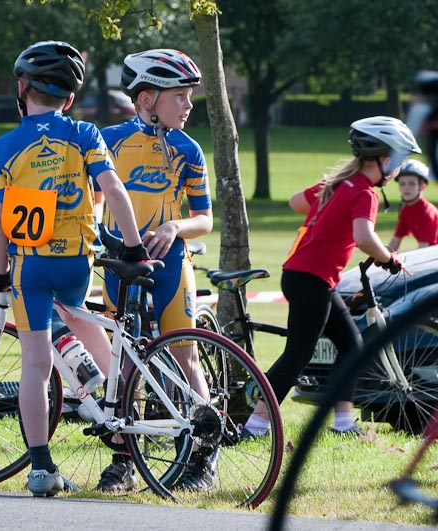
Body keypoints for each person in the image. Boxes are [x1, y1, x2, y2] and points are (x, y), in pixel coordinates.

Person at [0, 40, 148, 497]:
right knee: (88, 332)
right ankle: (118, 426)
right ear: (70, 99)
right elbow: (114, 190)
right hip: (76, 261)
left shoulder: (6, 146)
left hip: (29, 267)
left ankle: (40, 467)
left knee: (35, 365)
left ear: (22, 88)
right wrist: (133, 247)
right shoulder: (86, 134)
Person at [241, 116, 421, 440]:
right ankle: (254, 426)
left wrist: (331, 207)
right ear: (385, 158)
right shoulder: (364, 191)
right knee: (298, 355)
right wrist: (389, 259)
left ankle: (343, 423)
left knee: (351, 344)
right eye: (398, 160)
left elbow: (297, 201)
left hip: (305, 275)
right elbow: (364, 236)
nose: (397, 170)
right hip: (312, 278)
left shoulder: (338, 185)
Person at [98, 48, 214, 493]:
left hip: (170, 266)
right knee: (125, 362)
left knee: (184, 355)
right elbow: (91, 198)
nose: (188, 105)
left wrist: (173, 225)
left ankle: (203, 460)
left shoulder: (188, 148)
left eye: (189, 96)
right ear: (146, 98)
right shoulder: (107, 140)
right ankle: (124, 460)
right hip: (119, 265)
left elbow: (204, 218)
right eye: (180, 96)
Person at [388, 158, 438, 251]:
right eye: (402, 184)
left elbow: (423, 249)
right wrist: (382, 260)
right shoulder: (406, 209)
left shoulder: (426, 213)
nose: (406, 188)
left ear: (422, 186)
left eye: (412, 184)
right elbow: (395, 240)